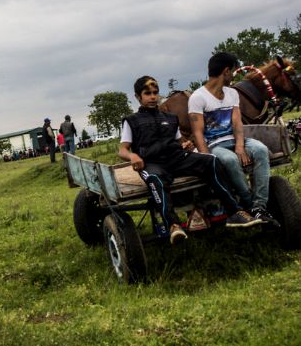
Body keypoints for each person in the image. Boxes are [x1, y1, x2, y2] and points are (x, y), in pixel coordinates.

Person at [119, 76, 260, 245]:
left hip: (176, 158)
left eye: (155, 93)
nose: (152, 97)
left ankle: (235, 212)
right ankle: (173, 225)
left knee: (211, 161)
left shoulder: (170, 118)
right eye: (147, 93)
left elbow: (179, 141)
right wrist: (133, 156)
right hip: (152, 163)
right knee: (155, 179)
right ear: (138, 97)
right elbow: (122, 150)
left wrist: (185, 144)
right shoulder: (132, 121)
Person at [188, 52, 278, 226]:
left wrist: (240, 146)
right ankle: (248, 203)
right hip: (214, 145)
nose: (235, 75)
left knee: (260, 149)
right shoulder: (198, 97)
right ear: (226, 71)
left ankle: (260, 206)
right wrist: (209, 160)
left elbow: (237, 124)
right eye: (234, 71)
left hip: (234, 140)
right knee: (229, 160)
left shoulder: (232, 93)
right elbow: (198, 133)